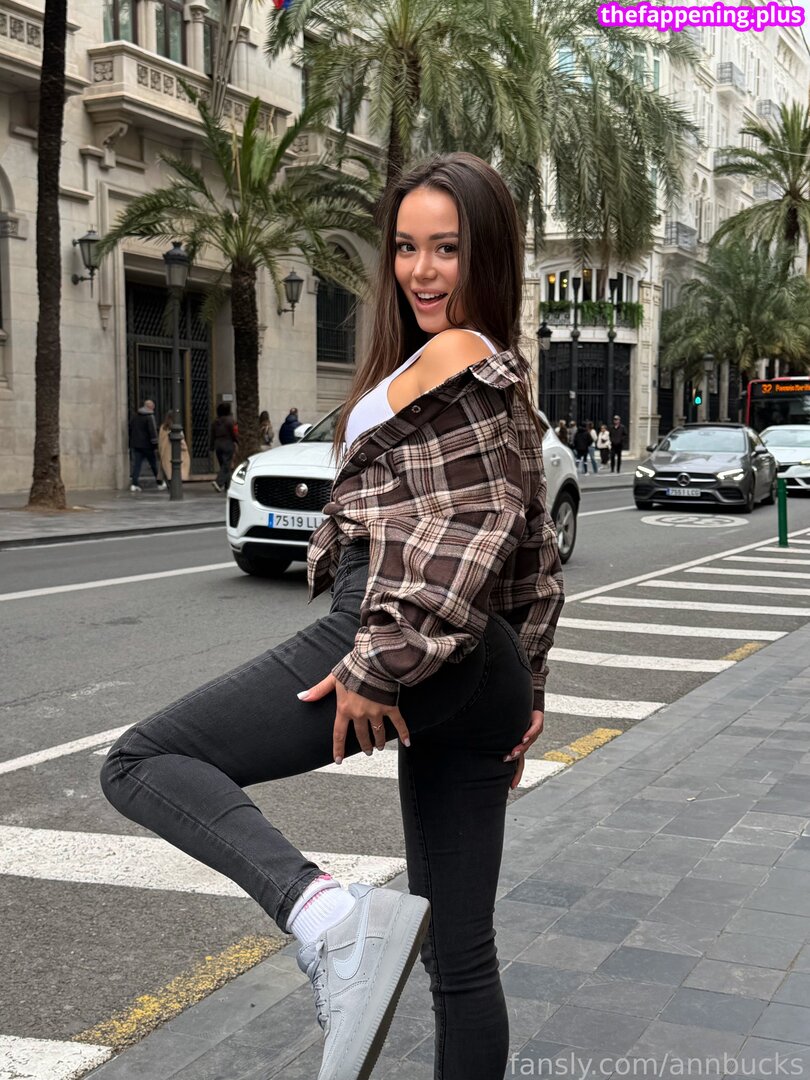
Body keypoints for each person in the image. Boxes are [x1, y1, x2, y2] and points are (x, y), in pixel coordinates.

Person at [100, 152, 565, 1080]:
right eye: (406, 246)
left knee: (142, 762)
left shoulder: (459, 358)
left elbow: (466, 525)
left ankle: (327, 919)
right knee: (461, 953)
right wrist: (531, 689)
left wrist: (377, 662)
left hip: (400, 629)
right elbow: (530, 546)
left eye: (448, 248)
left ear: (489, 254)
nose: (422, 271)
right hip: (479, 662)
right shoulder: (500, 373)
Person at [128, 399, 166, 493]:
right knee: (153, 465)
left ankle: (134, 484)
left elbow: (130, 428)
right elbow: (152, 431)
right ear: (150, 407)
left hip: (137, 444)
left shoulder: (135, 416)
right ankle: (160, 483)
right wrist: (155, 444)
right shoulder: (149, 417)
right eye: (153, 407)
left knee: (137, 465)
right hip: (147, 445)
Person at [210, 402, 238, 492]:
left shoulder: (215, 422)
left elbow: (212, 435)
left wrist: (211, 446)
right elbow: (233, 434)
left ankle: (228, 486)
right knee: (226, 465)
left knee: (223, 465)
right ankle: (218, 482)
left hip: (218, 444)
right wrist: (237, 441)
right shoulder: (230, 421)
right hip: (227, 444)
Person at [158, 411, 191, 484]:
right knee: (178, 471)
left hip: (165, 454)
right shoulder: (176, 428)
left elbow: (160, 440)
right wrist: (185, 447)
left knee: (169, 471)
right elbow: (182, 443)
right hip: (177, 454)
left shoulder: (163, 428)